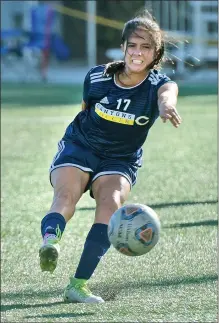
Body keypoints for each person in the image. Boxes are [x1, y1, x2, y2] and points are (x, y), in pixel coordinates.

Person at [39, 9, 182, 303]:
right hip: (81, 145)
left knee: (111, 203)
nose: (137, 52)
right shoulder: (97, 76)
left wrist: (167, 106)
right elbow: (84, 111)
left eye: (146, 47)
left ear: (156, 54)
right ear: (123, 47)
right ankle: (50, 243)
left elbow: (168, 94)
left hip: (120, 159)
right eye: (132, 45)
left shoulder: (159, 85)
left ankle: (77, 286)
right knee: (66, 197)